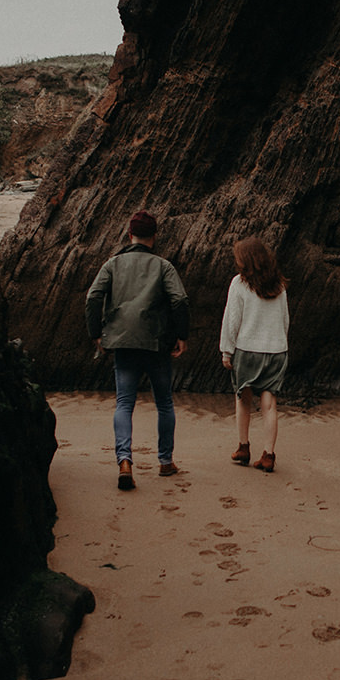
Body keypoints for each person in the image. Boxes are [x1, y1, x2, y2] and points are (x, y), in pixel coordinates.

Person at [86, 210, 189, 490]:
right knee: (164, 403)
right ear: (154, 237)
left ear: (129, 235)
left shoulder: (112, 264)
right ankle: (165, 462)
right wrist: (181, 335)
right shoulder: (163, 266)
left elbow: (93, 297)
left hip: (122, 341)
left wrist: (96, 334)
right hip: (156, 343)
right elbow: (179, 300)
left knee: (124, 403)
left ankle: (124, 460)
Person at [218, 236, 289, 473]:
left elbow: (232, 320)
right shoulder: (279, 285)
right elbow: (285, 320)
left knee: (243, 399)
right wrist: (280, 342)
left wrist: (227, 350)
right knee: (269, 405)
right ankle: (268, 455)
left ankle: (243, 447)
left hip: (248, 350)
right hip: (277, 349)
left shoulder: (239, 283)